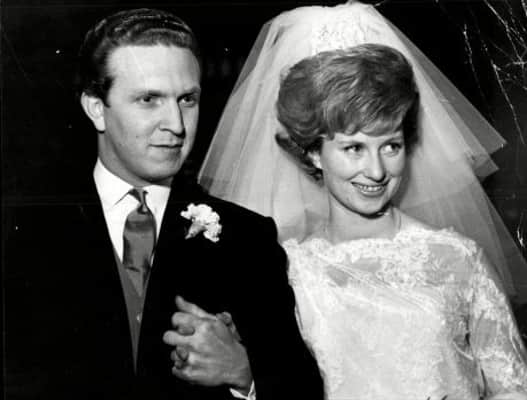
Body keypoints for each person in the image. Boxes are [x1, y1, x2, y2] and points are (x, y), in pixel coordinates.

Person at [198, 2, 527, 399]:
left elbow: (513, 389)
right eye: (354, 148)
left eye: (391, 145)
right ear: (314, 152)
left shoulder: (459, 259)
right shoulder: (287, 274)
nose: (376, 170)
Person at [4, 8, 323, 400]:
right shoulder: (21, 228)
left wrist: (243, 375)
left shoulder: (248, 237)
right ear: (96, 108)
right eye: (149, 99)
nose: (176, 124)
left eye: (187, 99)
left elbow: (304, 391)